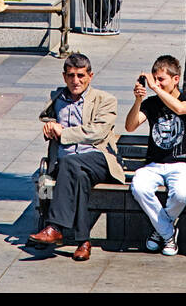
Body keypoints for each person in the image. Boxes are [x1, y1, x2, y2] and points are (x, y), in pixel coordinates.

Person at [28, 53, 125, 262]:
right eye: (71, 76)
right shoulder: (57, 99)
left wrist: (63, 133)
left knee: (70, 163)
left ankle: (54, 227)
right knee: (75, 174)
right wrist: (49, 126)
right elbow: (47, 119)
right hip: (67, 166)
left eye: (81, 76)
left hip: (97, 159)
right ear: (64, 77)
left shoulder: (105, 100)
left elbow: (97, 132)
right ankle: (84, 241)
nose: (76, 81)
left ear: (90, 76)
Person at [125, 55, 186, 255]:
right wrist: (138, 100)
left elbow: (180, 109)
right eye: (155, 79)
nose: (156, 84)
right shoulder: (151, 103)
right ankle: (168, 233)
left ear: (176, 79)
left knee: (182, 193)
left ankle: (160, 232)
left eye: (161, 80)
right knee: (139, 187)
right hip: (154, 164)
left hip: (182, 164)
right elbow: (130, 126)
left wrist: (154, 88)